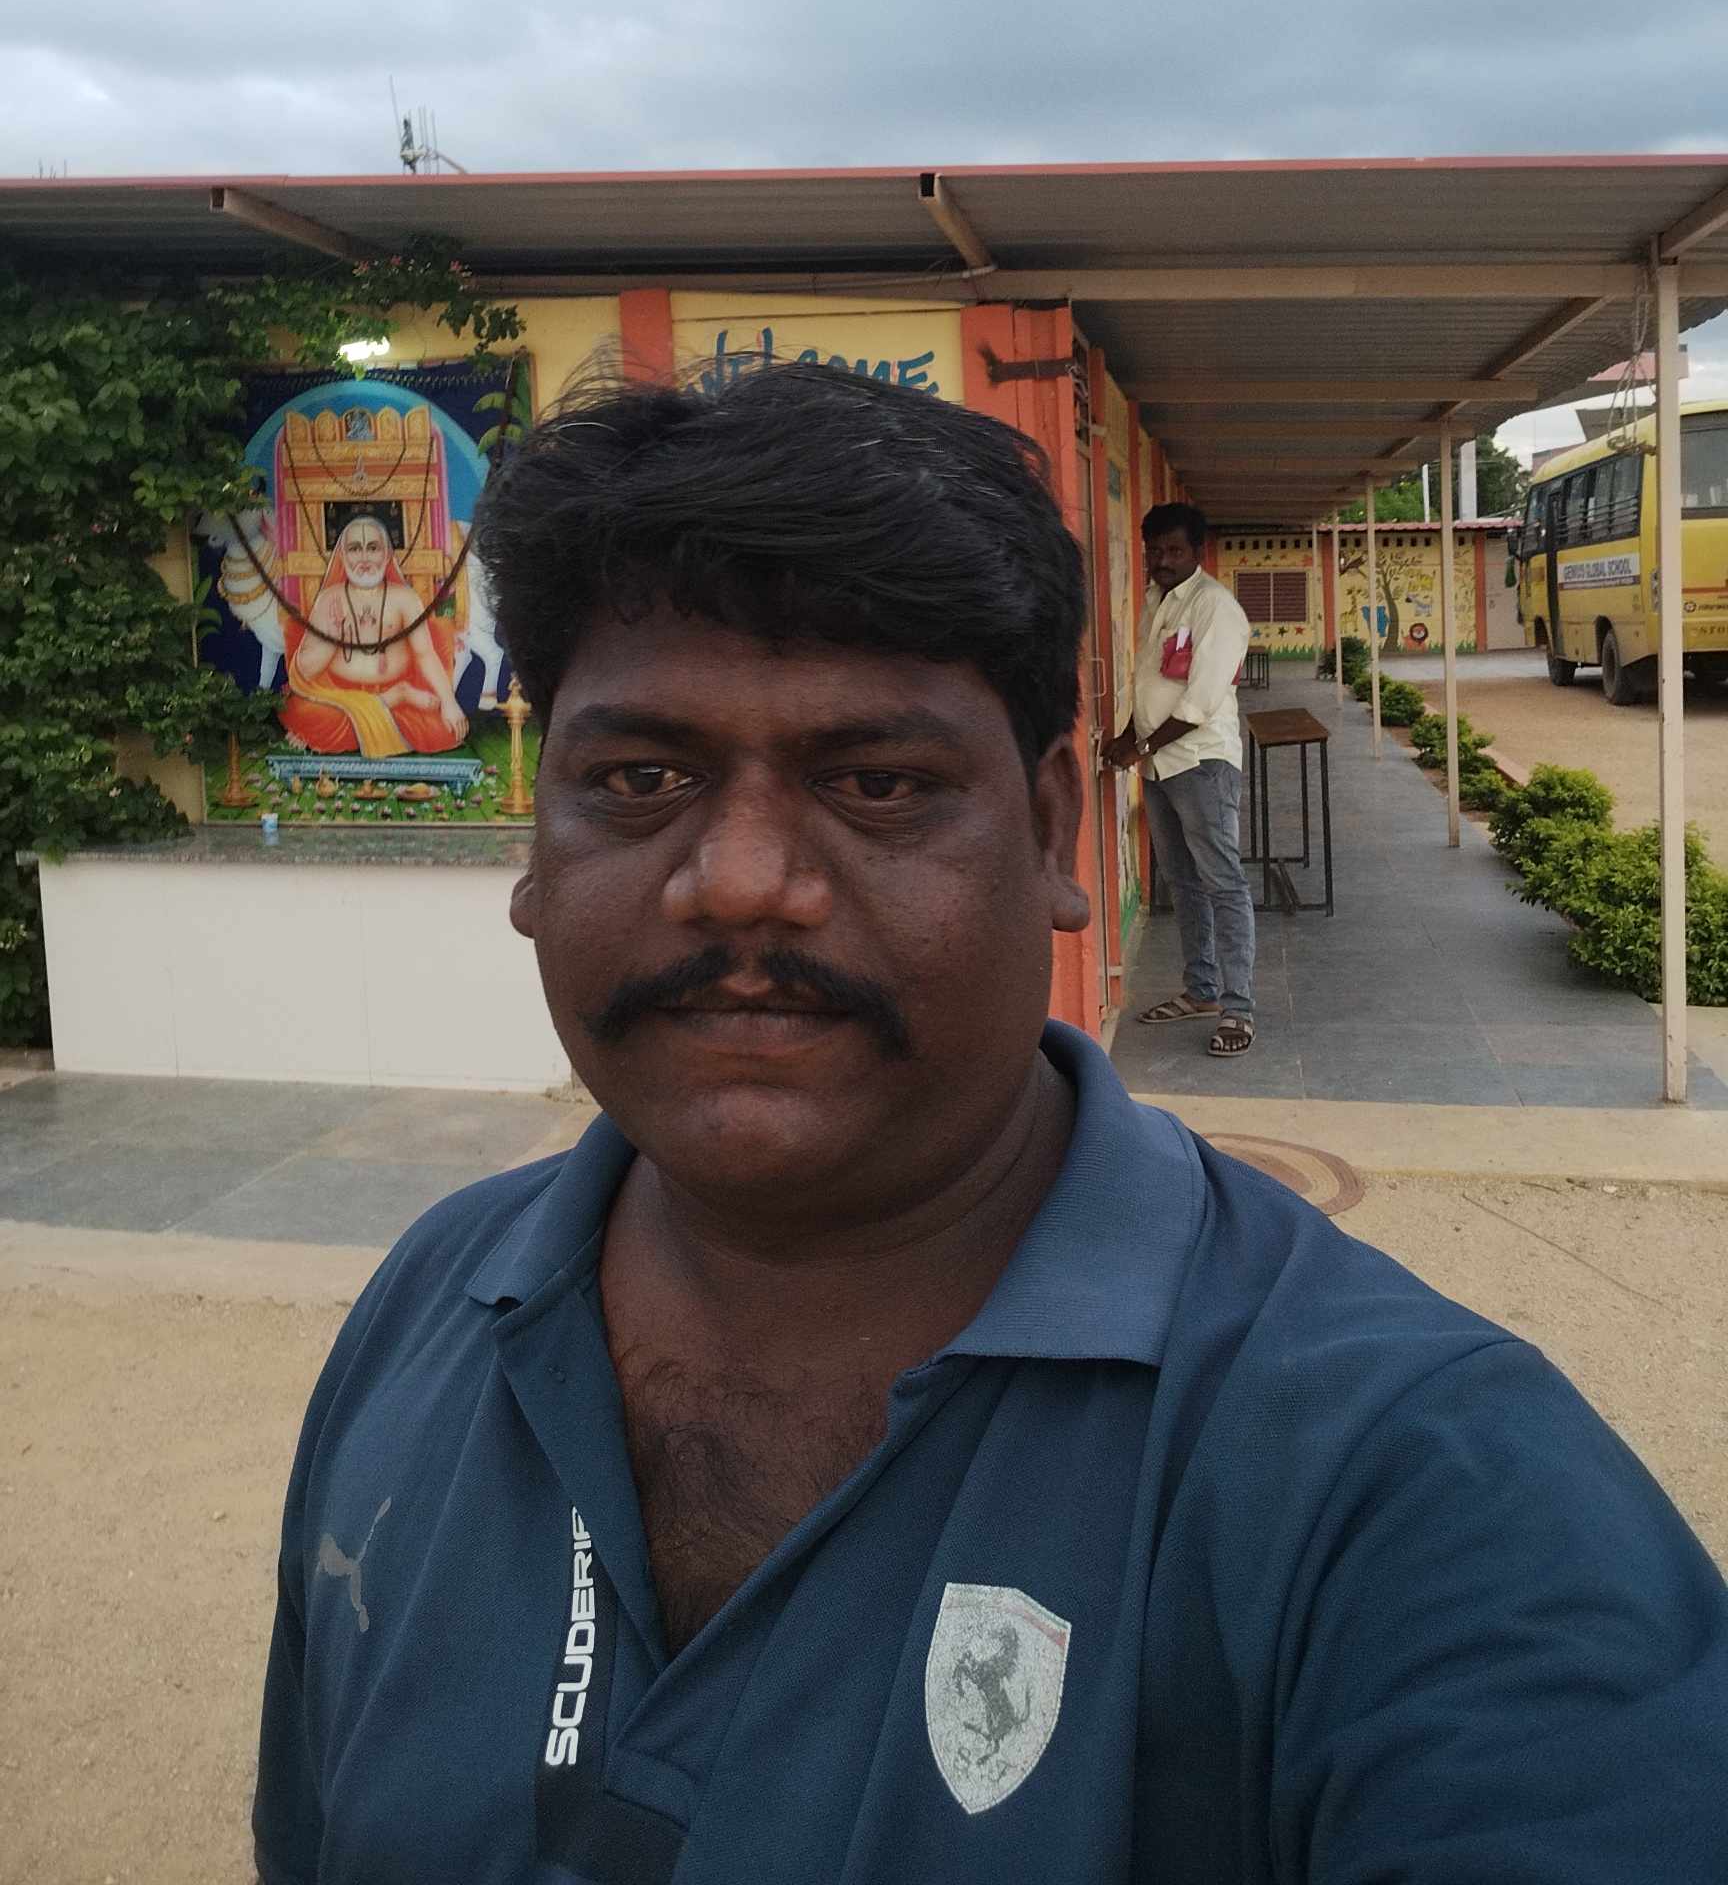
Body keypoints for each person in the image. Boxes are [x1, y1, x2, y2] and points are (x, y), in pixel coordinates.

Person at [255, 366, 1727, 1885]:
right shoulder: (429, 1311)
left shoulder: (1416, 1492)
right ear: (535, 845)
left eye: (878, 782)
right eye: (640, 778)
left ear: (1049, 832)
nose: (742, 879)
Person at [1102, 503, 1256, 1056]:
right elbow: (1150, 683)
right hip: (1160, 764)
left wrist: (1140, 746)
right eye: (1155, 551)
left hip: (1201, 763)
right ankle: (1201, 990)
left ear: (1198, 552)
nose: (1162, 560)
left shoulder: (1216, 607)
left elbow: (1199, 701)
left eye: (1174, 550)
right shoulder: (1157, 600)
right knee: (1183, 883)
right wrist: (1128, 735)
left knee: (1223, 883)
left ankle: (1238, 1010)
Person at [281, 513, 469, 757]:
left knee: (443, 730)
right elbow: (304, 671)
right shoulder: (329, 599)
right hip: (341, 697)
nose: (364, 558)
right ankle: (392, 698)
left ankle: (390, 700)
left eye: (372, 548)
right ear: (342, 556)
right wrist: (332, 639)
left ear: (387, 554)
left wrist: (450, 703)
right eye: (354, 549)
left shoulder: (404, 598)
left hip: (395, 704)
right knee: (306, 714)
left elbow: (425, 655)